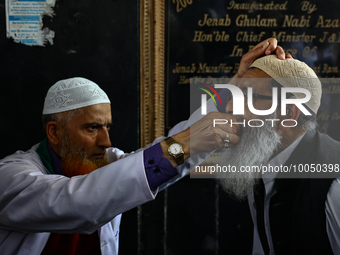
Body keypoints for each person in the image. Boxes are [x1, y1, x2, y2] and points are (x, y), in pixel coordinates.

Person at [0, 39, 286, 254]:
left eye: (107, 127)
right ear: (54, 132)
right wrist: (184, 143)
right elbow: (78, 204)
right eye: (92, 128)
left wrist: (235, 89)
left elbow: (162, 162)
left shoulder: (104, 161)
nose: (106, 141)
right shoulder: (12, 178)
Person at [199, 54, 340, 254]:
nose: (229, 107)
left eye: (247, 96)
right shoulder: (260, 164)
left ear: (288, 114)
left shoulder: (334, 186)